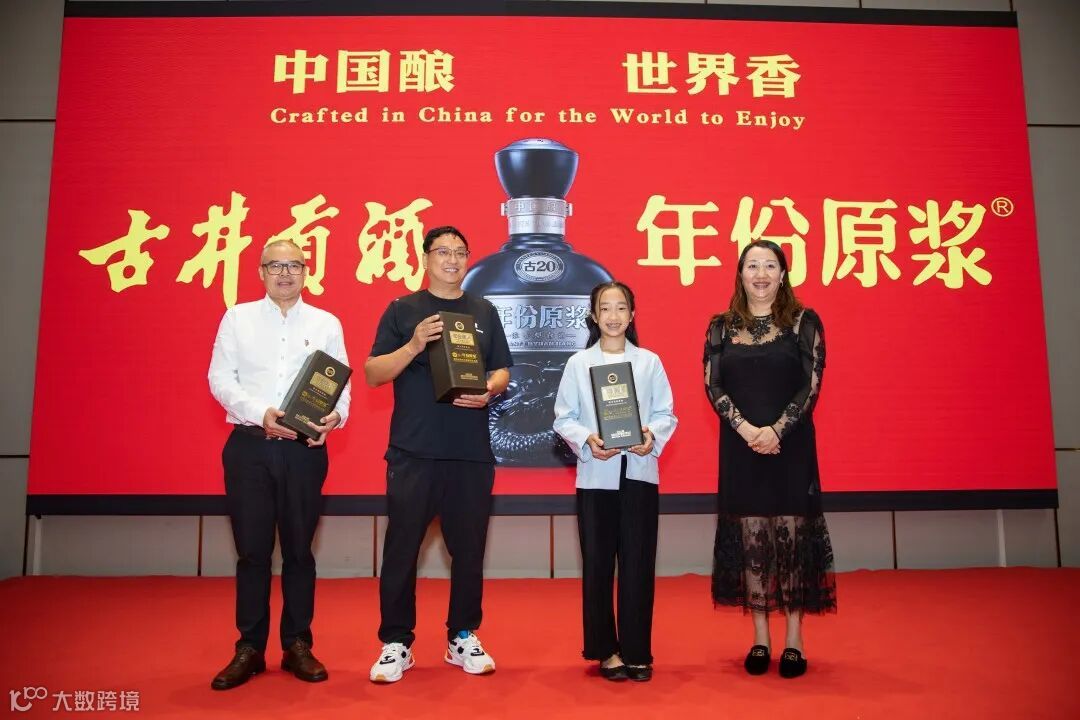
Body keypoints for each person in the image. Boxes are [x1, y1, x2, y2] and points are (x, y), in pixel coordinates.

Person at [365, 225, 512, 683]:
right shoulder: (402, 309)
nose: (452, 259)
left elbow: (502, 369)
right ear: (425, 257)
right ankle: (396, 642)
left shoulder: (484, 310)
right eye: (443, 251)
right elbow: (373, 373)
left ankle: (462, 635)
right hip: (414, 450)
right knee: (402, 549)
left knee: (468, 550)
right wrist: (413, 344)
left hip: (469, 452)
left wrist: (489, 389)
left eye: (460, 252)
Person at [207, 239, 351, 690]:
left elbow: (341, 386)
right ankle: (249, 648)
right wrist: (260, 413)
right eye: (275, 265)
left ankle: (297, 645)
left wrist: (335, 416)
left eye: (294, 265)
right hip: (249, 447)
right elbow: (219, 379)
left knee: (299, 551)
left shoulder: (326, 322)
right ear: (261, 272)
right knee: (252, 552)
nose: (285, 273)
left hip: (303, 453)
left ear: (307, 271)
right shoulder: (238, 318)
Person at [703, 239, 836, 679]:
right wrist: (746, 429)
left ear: (782, 274)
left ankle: (794, 639)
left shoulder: (803, 322)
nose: (760, 274)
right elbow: (713, 385)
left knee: (792, 540)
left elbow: (810, 385)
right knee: (752, 540)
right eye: (752, 266)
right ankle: (761, 637)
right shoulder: (721, 326)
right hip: (740, 447)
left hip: (791, 447)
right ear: (740, 274)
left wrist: (777, 430)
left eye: (769, 266)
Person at [553, 281, 677, 683]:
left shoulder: (649, 362)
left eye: (621, 307)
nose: (613, 316)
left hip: (639, 473)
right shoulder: (579, 363)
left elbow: (666, 414)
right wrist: (587, 439)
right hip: (596, 476)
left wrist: (650, 435)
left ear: (632, 314)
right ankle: (605, 651)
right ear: (593, 315)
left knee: (638, 564)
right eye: (605, 308)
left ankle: (637, 652)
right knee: (598, 565)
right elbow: (563, 417)